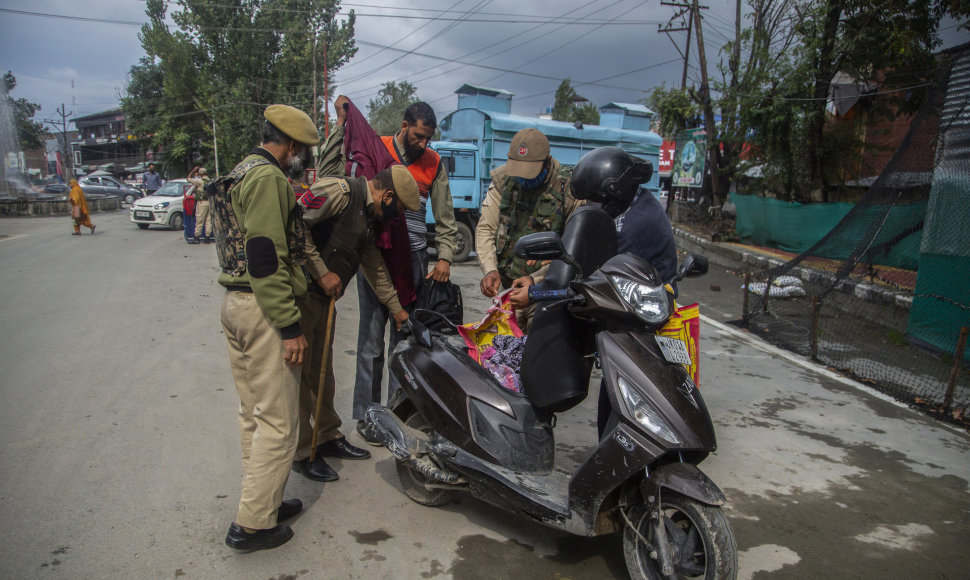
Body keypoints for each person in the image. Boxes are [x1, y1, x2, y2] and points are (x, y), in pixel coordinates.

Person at [288, 99, 420, 482]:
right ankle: (302, 450)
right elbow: (296, 225)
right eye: (397, 212)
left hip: (323, 302)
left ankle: (326, 435)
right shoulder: (340, 191)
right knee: (301, 381)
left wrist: (397, 309)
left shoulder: (366, 214)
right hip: (302, 296)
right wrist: (321, 270)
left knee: (323, 373)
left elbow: (375, 266)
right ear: (388, 197)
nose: (393, 220)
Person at [217, 104, 318, 553]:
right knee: (279, 423)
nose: (303, 160)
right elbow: (263, 258)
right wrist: (290, 325)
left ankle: (264, 502)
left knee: (254, 416)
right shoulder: (268, 178)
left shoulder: (241, 170)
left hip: (238, 306)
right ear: (291, 146)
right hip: (262, 310)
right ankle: (252, 526)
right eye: (303, 151)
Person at [352, 99, 459, 445]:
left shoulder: (434, 163)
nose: (423, 144)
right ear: (403, 125)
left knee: (404, 341)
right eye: (417, 136)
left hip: (413, 261)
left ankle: (397, 416)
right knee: (370, 342)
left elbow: (445, 217)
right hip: (376, 256)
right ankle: (367, 417)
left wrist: (444, 256)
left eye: (428, 138)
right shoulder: (377, 148)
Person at [474, 128, 584, 330]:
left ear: (547, 162)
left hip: (547, 292)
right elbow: (486, 229)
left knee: (537, 352)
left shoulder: (570, 189)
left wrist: (536, 280)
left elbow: (575, 248)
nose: (523, 180)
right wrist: (490, 269)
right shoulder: (502, 180)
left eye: (529, 173)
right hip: (510, 290)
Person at [188, 166, 213, 243]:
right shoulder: (210, 181)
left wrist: (193, 170)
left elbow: (188, 179)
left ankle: (196, 237)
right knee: (208, 221)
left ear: (200, 174)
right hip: (210, 202)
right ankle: (207, 237)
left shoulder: (200, 181)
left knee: (199, 220)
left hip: (202, 203)